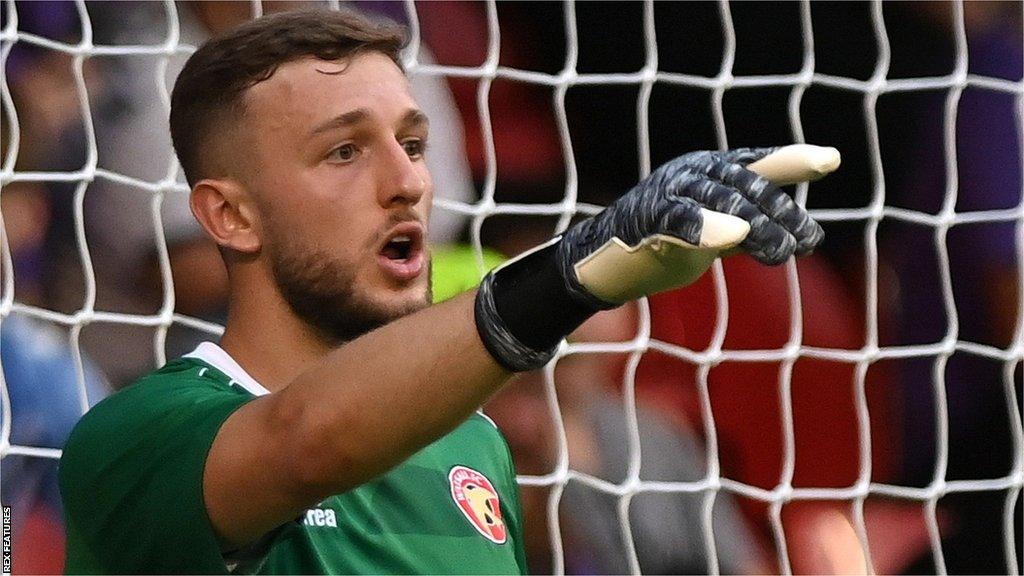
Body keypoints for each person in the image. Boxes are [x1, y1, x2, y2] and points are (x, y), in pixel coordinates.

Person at [58, 9, 827, 574]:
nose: (408, 183)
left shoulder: (474, 446)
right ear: (230, 215)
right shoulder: (134, 433)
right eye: (346, 151)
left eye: (415, 144)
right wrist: (571, 273)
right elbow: (305, 441)